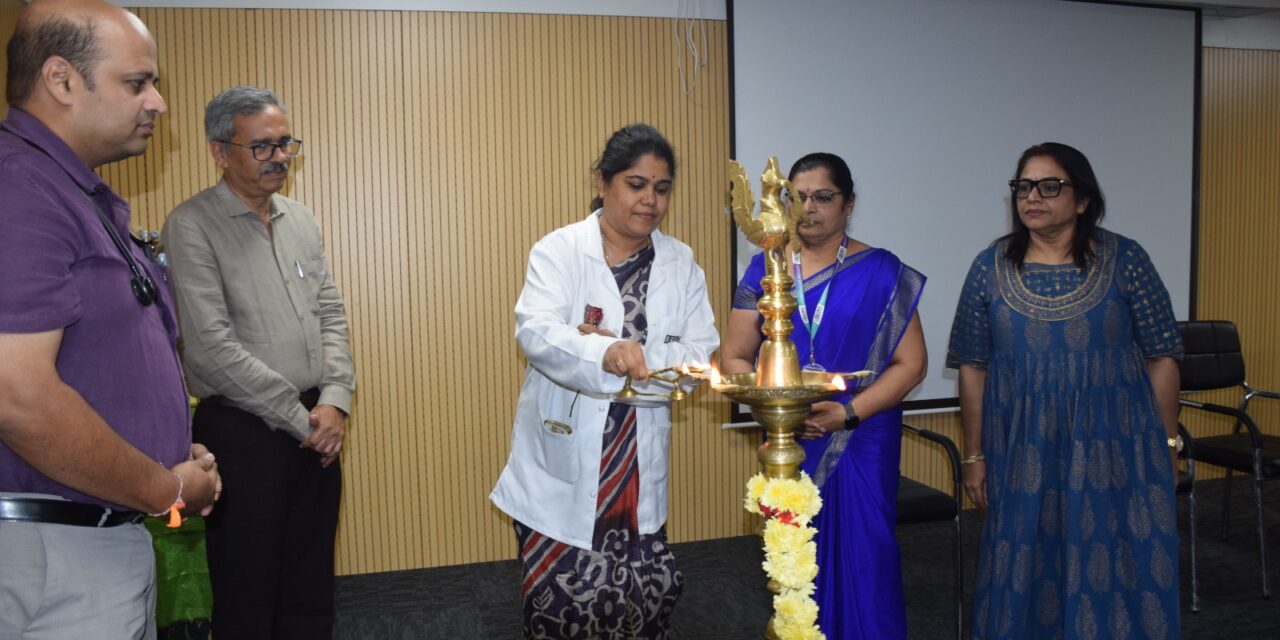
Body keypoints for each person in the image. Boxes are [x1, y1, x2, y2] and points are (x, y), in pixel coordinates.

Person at [0, 1, 220, 637]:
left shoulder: (73, 193)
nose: (158, 103)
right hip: (50, 555)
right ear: (61, 80)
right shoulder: (21, 189)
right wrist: (165, 488)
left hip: (92, 541)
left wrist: (170, 451)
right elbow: (17, 395)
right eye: (137, 83)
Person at [489, 123, 719, 639]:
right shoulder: (561, 249)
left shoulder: (681, 262)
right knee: (564, 604)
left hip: (637, 453)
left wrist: (641, 363)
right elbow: (537, 332)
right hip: (565, 448)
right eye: (636, 184)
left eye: (662, 189)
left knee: (646, 594)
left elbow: (698, 353)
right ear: (603, 181)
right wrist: (603, 351)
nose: (650, 200)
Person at [947, 142, 1183, 639]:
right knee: (1025, 562)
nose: (1033, 196)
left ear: (1081, 199)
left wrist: (1164, 446)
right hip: (1022, 449)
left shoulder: (1126, 259)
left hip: (1117, 447)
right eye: (1024, 186)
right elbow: (972, 367)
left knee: (1121, 561)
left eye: (1050, 186)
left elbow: (1162, 355)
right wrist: (974, 456)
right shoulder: (989, 267)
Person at [162, 85, 355, 639]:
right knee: (248, 587)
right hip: (242, 433)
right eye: (262, 147)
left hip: (319, 426)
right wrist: (304, 424)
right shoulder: (192, 225)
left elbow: (331, 314)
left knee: (310, 577)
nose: (279, 157)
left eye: (285, 144)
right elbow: (211, 350)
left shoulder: (300, 218)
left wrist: (335, 401)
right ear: (221, 151)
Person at [722, 152, 927, 640]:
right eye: (798, 196)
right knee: (793, 558)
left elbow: (911, 364)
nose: (808, 208)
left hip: (861, 436)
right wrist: (776, 408)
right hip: (790, 436)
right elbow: (733, 357)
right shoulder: (766, 267)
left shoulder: (882, 271)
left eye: (823, 197)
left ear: (848, 203)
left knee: (864, 558)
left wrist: (847, 412)